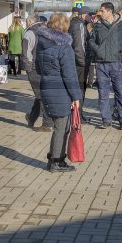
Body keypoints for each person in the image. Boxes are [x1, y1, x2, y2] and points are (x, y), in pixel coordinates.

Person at [36, 13, 82, 172]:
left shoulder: (42, 44)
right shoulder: (64, 47)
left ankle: (58, 159)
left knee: (62, 126)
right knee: (61, 127)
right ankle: (55, 162)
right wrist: (76, 96)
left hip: (46, 86)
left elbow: (37, 69)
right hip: (60, 89)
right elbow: (70, 75)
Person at [88, 2, 122, 130]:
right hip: (101, 64)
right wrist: (98, 50)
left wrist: (119, 48)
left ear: (109, 12)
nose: (100, 13)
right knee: (103, 94)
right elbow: (91, 41)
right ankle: (106, 120)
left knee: (120, 93)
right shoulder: (97, 26)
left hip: (116, 64)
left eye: (102, 11)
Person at [22, 15, 53, 131]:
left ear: (30, 21)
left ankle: (47, 123)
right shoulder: (47, 30)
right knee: (40, 94)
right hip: (47, 67)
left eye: (26, 21)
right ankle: (31, 117)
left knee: (41, 96)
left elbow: (26, 53)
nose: (26, 24)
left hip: (35, 68)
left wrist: (28, 68)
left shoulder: (29, 33)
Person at [69, 6, 91, 122]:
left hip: (75, 61)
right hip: (79, 63)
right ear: (83, 15)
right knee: (80, 88)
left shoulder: (75, 23)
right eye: (89, 15)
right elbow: (79, 46)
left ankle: (76, 114)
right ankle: (78, 115)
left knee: (77, 88)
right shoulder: (79, 26)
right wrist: (83, 63)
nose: (90, 17)